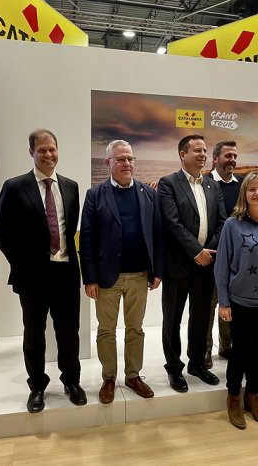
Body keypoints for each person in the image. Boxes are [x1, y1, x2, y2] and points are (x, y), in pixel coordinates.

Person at [0, 129, 85, 413]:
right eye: (42, 150)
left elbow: (69, 231)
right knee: (34, 333)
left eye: (52, 149)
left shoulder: (71, 187)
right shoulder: (15, 186)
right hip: (32, 277)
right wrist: (22, 265)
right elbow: (1, 233)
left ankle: (71, 381)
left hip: (66, 275)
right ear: (31, 152)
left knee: (69, 333)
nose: (48, 155)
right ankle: (37, 386)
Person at [80, 140, 164, 404]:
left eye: (130, 159)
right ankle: (108, 377)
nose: (127, 164)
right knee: (106, 329)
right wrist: (90, 278)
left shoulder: (148, 193)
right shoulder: (95, 195)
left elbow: (157, 234)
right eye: (120, 160)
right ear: (108, 163)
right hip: (107, 277)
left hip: (140, 275)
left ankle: (133, 375)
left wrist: (157, 270)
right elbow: (87, 240)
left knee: (135, 329)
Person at [215, 171, 258, 429]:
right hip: (240, 300)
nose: (257, 193)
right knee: (240, 352)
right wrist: (224, 302)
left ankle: (252, 395)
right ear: (245, 194)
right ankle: (233, 396)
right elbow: (221, 266)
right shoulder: (233, 225)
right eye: (252, 189)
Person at [159, 134, 226, 392]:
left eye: (205, 150)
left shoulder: (212, 185)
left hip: (207, 264)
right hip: (179, 265)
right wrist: (196, 251)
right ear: (182, 154)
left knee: (200, 318)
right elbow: (172, 223)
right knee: (172, 319)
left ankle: (197, 363)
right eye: (197, 150)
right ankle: (174, 369)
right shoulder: (168, 184)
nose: (202, 155)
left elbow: (222, 221)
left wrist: (207, 252)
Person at [207, 141, 243, 366]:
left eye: (235, 156)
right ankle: (205, 349)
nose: (232, 160)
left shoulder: (242, 186)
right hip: (211, 256)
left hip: (237, 259)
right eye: (228, 155)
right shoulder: (205, 183)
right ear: (215, 158)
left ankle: (226, 346)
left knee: (230, 304)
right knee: (208, 306)